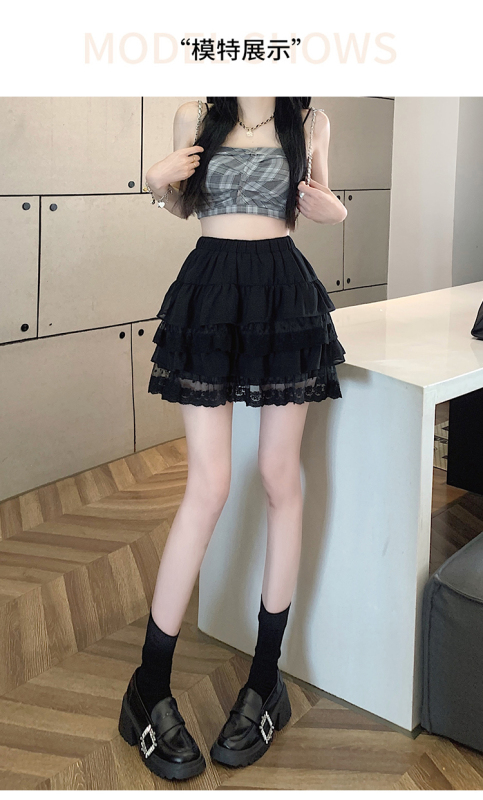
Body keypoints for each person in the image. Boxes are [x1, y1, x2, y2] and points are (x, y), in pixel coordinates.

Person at [118, 97, 347, 781]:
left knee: (279, 477)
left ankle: (265, 681)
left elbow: (317, 201)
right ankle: (148, 685)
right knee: (209, 485)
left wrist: (334, 211)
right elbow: (183, 207)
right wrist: (156, 183)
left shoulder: (310, 123)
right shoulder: (195, 115)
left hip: (284, 293)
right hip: (211, 289)